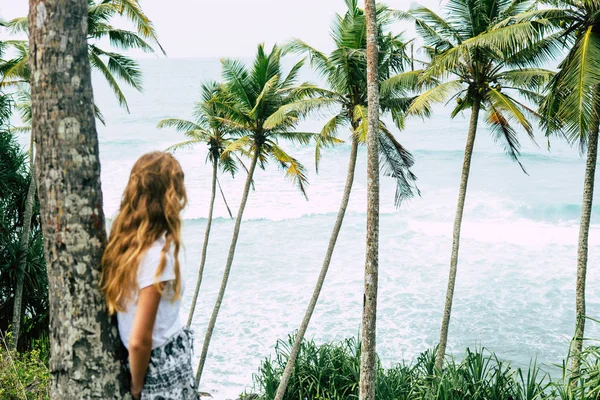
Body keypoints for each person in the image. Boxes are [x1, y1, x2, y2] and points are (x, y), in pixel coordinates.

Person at [100, 151, 198, 399]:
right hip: (162, 368)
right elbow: (139, 340)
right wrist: (136, 387)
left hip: (152, 364)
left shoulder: (125, 247)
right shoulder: (157, 259)